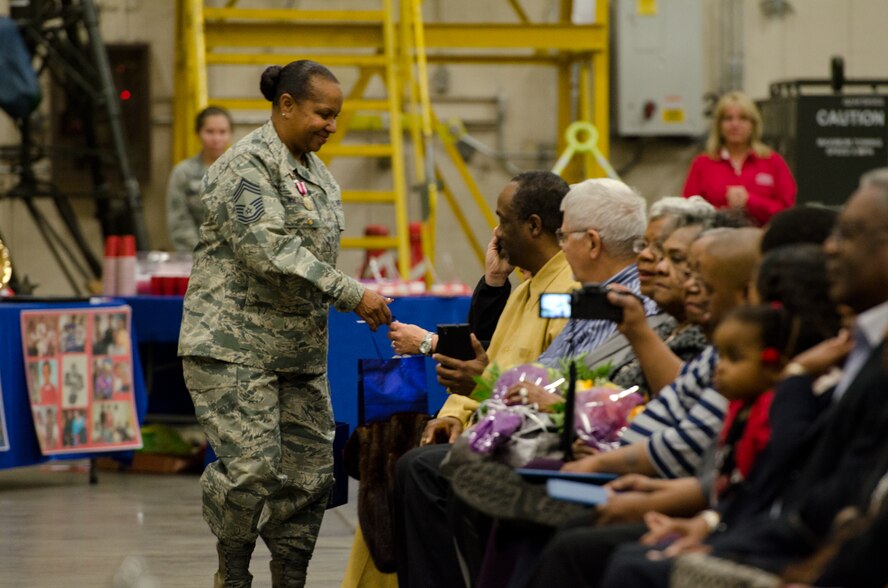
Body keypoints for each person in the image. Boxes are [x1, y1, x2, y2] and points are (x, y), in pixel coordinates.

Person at [600, 168, 888, 588]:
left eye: (849, 234)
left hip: (799, 553)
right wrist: (715, 524)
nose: (831, 248)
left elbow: (822, 486)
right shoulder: (857, 345)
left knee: (620, 561)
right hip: (758, 528)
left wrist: (723, 539)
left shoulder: (797, 364)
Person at [178, 59, 392, 588]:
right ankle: (232, 575)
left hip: (298, 354)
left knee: (312, 476)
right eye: (323, 113)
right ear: (287, 105)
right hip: (233, 347)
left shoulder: (320, 178)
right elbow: (269, 250)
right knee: (252, 471)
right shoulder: (244, 165)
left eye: (337, 116)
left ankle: (290, 578)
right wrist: (351, 292)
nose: (331, 126)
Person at [682, 91, 796, 226]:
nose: (735, 124)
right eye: (728, 118)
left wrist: (750, 201)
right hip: (712, 240)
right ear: (719, 125)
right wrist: (722, 212)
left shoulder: (773, 162)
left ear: (753, 124)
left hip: (764, 240)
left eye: (743, 118)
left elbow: (787, 211)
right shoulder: (702, 163)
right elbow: (687, 211)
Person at [167, 105, 233, 252]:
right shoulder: (183, 172)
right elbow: (179, 221)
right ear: (198, 133)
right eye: (209, 132)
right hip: (196, 257)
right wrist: (203, 252)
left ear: (230, 134)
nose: (216, 138)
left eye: (222, 132)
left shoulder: (243, 170)